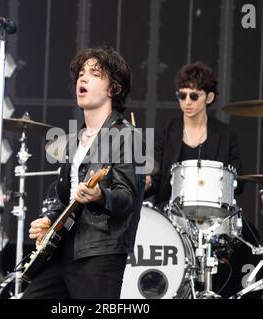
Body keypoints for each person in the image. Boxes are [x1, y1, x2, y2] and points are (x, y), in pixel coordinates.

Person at [22, 46, 145, 299]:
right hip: (62, 249)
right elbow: (64, 198)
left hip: (99, 253)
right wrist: (48, 219)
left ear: (114, 89)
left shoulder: (126, 136)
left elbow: (126, 199)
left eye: (94, 74)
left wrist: (100, 195)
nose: (83, 78)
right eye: (80, 73)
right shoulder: (75, 140)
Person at [145, 61, 243, 208]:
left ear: (209, 98)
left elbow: (238, 183)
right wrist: (146, 182)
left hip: (213, 214)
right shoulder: (165, 132)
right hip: (170, 214)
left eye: (194, 96)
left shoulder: (226, 135)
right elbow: (155, 180)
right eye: (182, 95)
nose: (187, 102)